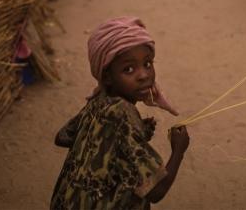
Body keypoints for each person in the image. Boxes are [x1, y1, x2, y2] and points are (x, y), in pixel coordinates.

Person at [52, 17, 189, 209]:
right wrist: (178, 150)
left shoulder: (98, 101)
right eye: (129, 69)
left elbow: (63, 136)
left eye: (148, 64)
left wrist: (111, 147)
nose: (143, 75)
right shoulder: (121, 114)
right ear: (107, 77)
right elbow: (156, 191)